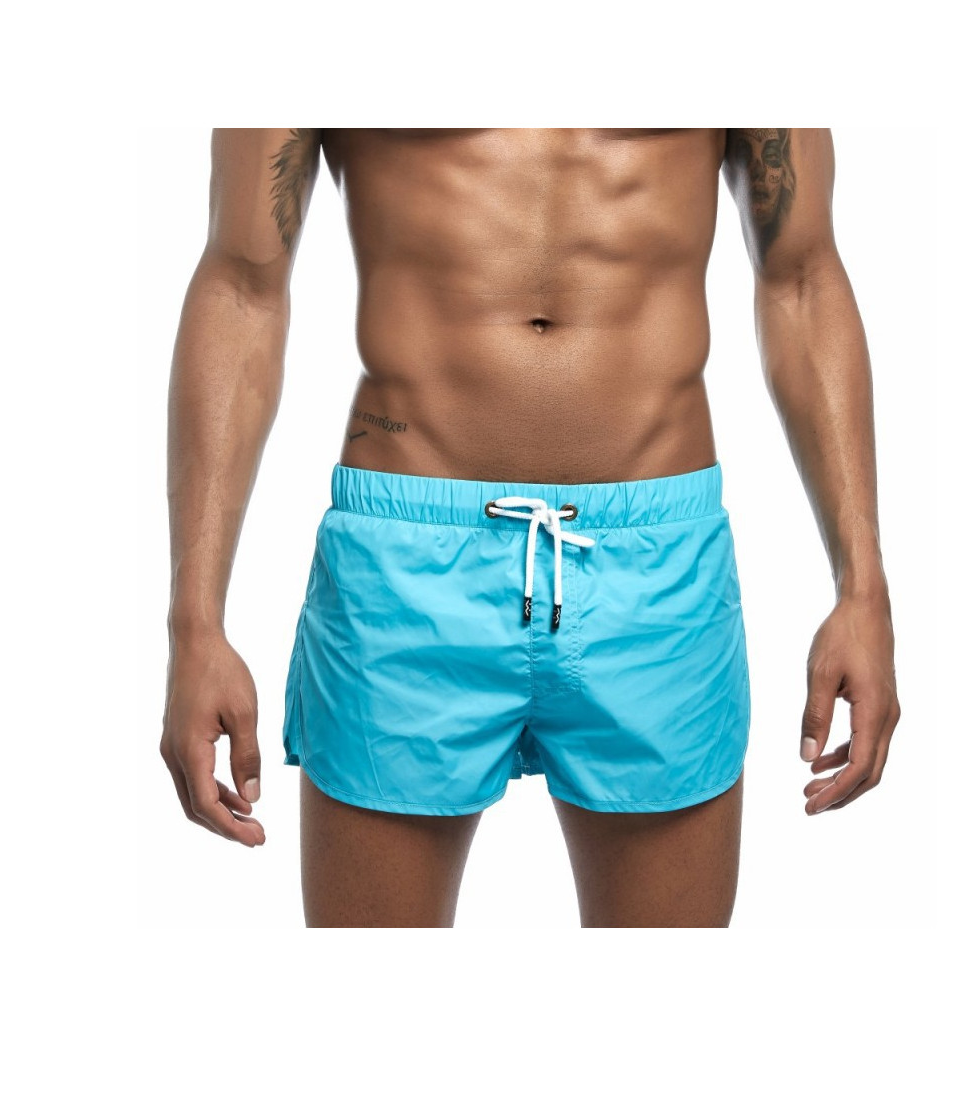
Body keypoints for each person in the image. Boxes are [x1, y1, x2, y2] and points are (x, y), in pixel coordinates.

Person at [160, 128, 900, 928]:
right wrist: (195, 625)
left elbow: (802, 278)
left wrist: (862, 587)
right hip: (406, 568)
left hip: (655, 571)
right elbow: (241, 288)